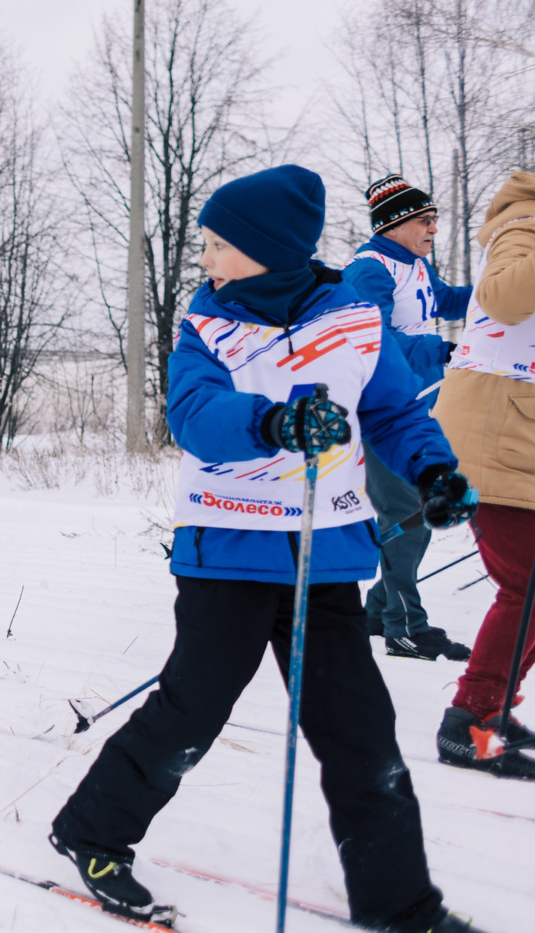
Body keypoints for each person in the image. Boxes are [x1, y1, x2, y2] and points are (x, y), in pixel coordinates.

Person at [48, 167, 485, 932]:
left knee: (359, 731)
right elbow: (193, 413)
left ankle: (404, 906)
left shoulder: (351, 317)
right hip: (229, 550)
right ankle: (90, 830)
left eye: (217, 245)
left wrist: (435, 470)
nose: (207, 258)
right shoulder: (206, 324)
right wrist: (275, 423)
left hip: (324, 558)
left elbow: (389, 411)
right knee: (193, 708)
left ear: (264, 249)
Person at [430, 169, 535, 780]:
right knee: (524, 584)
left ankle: (489, 709)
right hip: (494, 435)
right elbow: (502, 298)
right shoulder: (522, 225)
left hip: (518, 433)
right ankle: (469, 723)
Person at [343, 175, 473, 660]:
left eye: (435, 219)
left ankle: (379, 611)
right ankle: (405, 628)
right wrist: (444, 350)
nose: (434, 229)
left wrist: (497, 295)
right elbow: (374, 343)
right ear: (394, 224)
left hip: (412, 411)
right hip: (379, 413)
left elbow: (445, 301)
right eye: (425, 220)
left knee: (417, 513)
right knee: (407, 515)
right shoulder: (369, 270)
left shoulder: (413, 264)